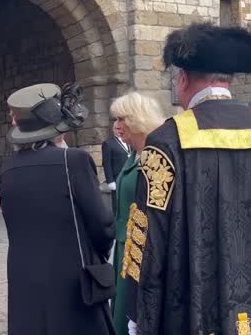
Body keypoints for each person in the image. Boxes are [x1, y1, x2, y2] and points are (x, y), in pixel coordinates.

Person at [132, 23, 251, 334]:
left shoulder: (167, 142)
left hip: (196, 308)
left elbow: (148, 240)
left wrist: (139, 313)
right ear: (228, 80)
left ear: (182, 79)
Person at [0, 83, 115, 335]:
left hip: (23, 276)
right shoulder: (74, 161)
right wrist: (99, 255)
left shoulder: (8, 169)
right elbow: (102, 224)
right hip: (72, 278)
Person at [108, 92, 164, 335]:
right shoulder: (134, 154)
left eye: (122, 119)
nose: (117, 125)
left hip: (145, 251)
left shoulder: (156, 155)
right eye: (116, 119)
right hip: (124, 247)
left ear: (138, 119)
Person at [102, 120, 131, 216]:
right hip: (117, 178)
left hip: (128, 176)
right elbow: (106, 163)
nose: (119, 131)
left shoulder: (128, 140)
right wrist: (110, 181)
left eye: (121, 128)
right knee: (118, 206)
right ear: (113, 130)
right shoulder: (108, 143)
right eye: (117, 128)